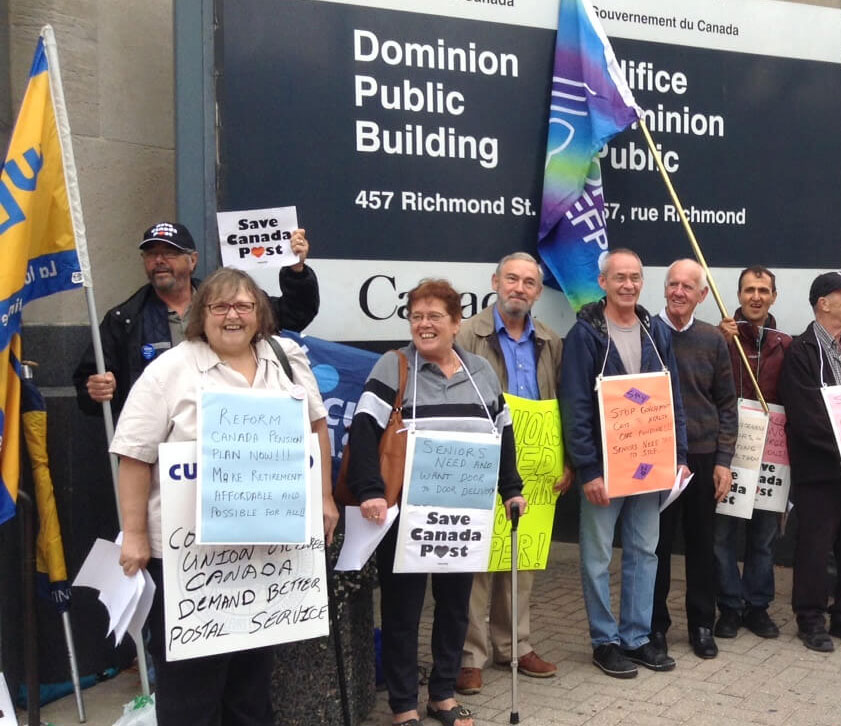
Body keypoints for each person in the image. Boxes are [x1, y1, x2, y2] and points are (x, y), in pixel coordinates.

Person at [110, 268, 338, 726]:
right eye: (220, 306)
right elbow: (133, 456)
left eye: (243, 306)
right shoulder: (169, 371)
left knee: (251, 685)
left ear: (259, 314)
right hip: (190, 561)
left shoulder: (286, 358)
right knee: (191, 687)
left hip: (266, 555)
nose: (232, 315)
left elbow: (316, 428)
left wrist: (325, 499)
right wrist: (133, 534)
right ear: (202, 314)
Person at [347, 278, 526, 726]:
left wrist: (511, 488)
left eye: (434, 317)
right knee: (403, 611)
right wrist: (370, 491)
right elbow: (364, 433)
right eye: (416, 316)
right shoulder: (394, 368)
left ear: (455, 322)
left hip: (464, 513)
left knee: (455, 606)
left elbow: (503, 433)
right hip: (407, 514)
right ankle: (404, 705)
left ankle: (442, 694)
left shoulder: (480, 372)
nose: (424, 325)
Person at [559, 248, 689, 679]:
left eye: (635, 277)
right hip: (605, 467)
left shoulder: (655, 331)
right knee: (596, 556)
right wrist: (588, 468)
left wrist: (680, 456)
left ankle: (636, 638)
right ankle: (604, 640)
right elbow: (575, 405)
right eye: (620, 277)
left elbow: (672, 399)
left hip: (649, 463)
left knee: (644, 552)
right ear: (603, 282)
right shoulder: (585, 334)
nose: (628, 285)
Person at [453, 253, 565, 694]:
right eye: (512, 279)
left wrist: (565, 461)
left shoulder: (551, 341)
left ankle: (515, 646)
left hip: (535, 463)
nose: (519, 288)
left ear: (538, 291)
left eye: (529, 282)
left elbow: (560, 403)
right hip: (482, 457)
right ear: (496, 280)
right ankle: (469, 656)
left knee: (522, 559)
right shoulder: (466, 334)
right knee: (479, 561)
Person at [73, 221, 320, 420]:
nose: (159, 260)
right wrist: (96, 391)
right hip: (164, 443)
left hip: (232, 428)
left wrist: (295, 269)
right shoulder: (124, 319)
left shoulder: (228, 302)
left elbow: (296, 313)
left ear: (192, 260)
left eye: (169, 253)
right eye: (151, 254)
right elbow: (92, 388)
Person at [780, 271, 841, 652]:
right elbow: (806, 416)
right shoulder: (801, 351)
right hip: (821, 469)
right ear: (824, 302)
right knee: (816, 548)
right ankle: (810, 619)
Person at [651, 259, 737, 659]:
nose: (679, 292)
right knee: (657, 546)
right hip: (656, 458)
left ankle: (702, 624)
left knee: (703, 546)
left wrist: (724, 459)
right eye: (673, 284)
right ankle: (654, 628)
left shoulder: (712, 340)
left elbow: (726, 403)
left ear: (702, 295)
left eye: (688, 286)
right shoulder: (646, 334)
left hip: (703, 458)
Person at [714, 266, 791, 640]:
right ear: (739, 295)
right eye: (749, 290)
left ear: (774, 296)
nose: (756, 296)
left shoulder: (786, 344)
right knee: (723, 535)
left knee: (763, 536)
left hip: (772, 452)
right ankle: (729, 606)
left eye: (763, 290)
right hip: (730, 449)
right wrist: (720, 340)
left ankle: (757, 607)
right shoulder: (721, 337)